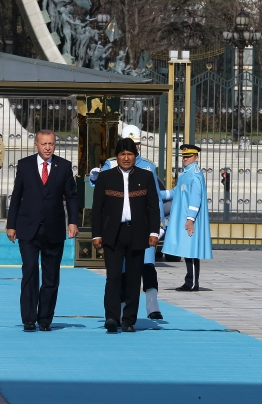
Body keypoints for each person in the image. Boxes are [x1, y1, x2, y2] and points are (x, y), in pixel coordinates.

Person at [89, 125, 166, 320]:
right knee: (115, 275)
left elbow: (155, 201)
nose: (127, 156)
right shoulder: (109, 167)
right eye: (122, 153)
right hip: (114, 231)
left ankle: (148, 306)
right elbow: (98, 199)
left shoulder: (148, 169)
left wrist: (157, 228)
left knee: (141, 271)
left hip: (140, 230)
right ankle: (114, 315)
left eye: (134, 148)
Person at [7, 129, 79, 332]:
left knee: (51, 277)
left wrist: (73, 222)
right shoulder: (25, 165)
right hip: (28, 229)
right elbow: (17, 195)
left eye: (51, 144)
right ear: (36, 145)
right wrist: (11, 224)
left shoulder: (63, 167)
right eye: (44, 144)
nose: (48, 147)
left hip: (54, 230)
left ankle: (45, 319)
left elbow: (72, 197)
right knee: (29, 272)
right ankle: (29, 319)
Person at [162, 144, 213, 291]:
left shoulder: (195, 175)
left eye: (188, 157)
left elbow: (196, 198)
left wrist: (190, 219)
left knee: (191, 251)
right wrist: (157, 193)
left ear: (196, 158)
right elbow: (176, 192)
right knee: (188, 250)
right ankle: (190, 281)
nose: (185, 159)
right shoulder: (185, 174)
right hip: (184, 217)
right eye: (184, 157)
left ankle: (192, 282)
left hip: (189, 218)